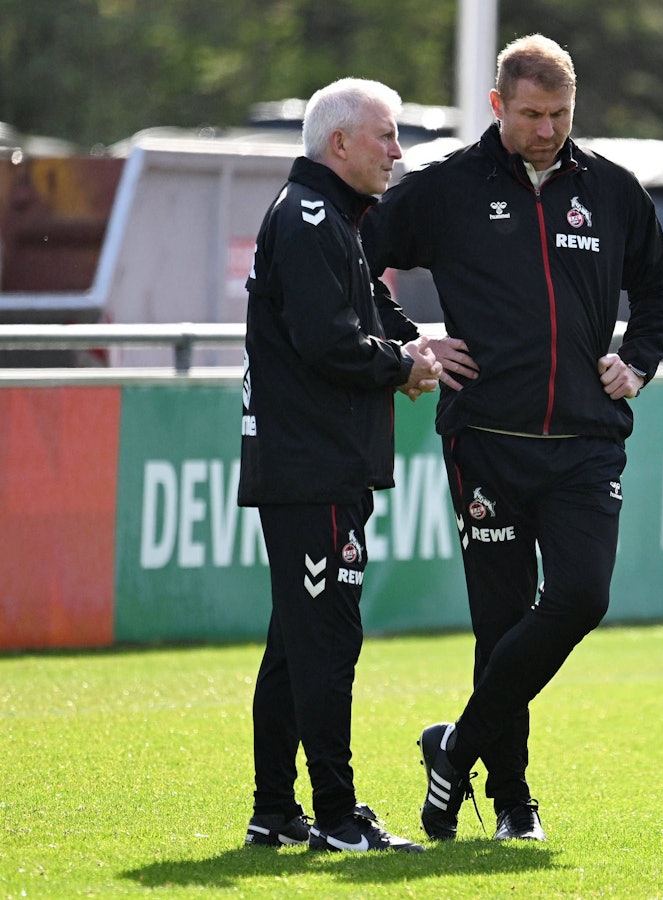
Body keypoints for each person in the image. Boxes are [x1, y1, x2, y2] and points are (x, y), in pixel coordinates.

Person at [363, 34, 663, 843]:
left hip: (585, 443)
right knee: (500, 625)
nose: (548, 130)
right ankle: (511, 802)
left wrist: (638, 361)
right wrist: (411, 342)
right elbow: (353, 256)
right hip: (487, 441)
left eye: (562, 114)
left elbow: (661, 285)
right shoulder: (446, 190)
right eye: (533, 114)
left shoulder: (610, 191)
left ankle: (455, 747)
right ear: (499, 106)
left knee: (582, 596)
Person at [238, 77, 446, 853]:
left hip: (314, 463)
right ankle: (336, 815)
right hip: (312, 466)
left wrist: (410, 349)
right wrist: (402, 365)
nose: (397, 152)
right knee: (326, 640)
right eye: (387, 136)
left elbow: (358, 321)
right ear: (339, 145)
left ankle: (274, 809)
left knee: (297, 642)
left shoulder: (331, 220)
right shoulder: (310, 218)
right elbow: (329, 341)